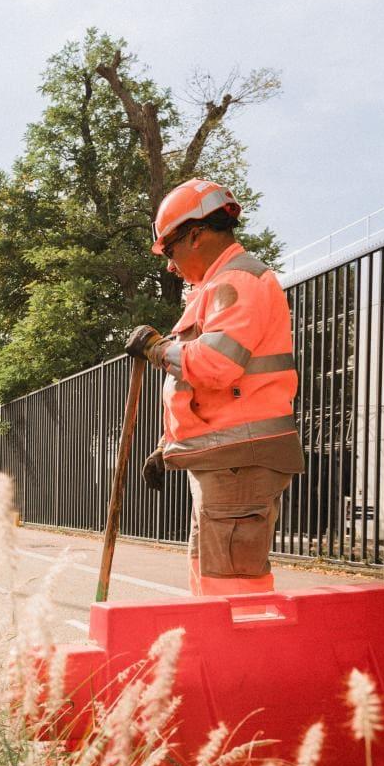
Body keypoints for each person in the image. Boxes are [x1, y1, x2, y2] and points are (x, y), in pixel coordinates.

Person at [124, 178, 304, 597]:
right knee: (211, 577)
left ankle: (238, 662)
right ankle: (217, 658)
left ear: (196, 234)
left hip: (240, 458)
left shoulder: (235, 282)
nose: (169, 264)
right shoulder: (218, 287)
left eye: (169, 250)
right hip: (228, 458)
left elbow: (217, 366)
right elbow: (213, 393)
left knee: (232, 588)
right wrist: (168, 444)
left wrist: (156, 347)